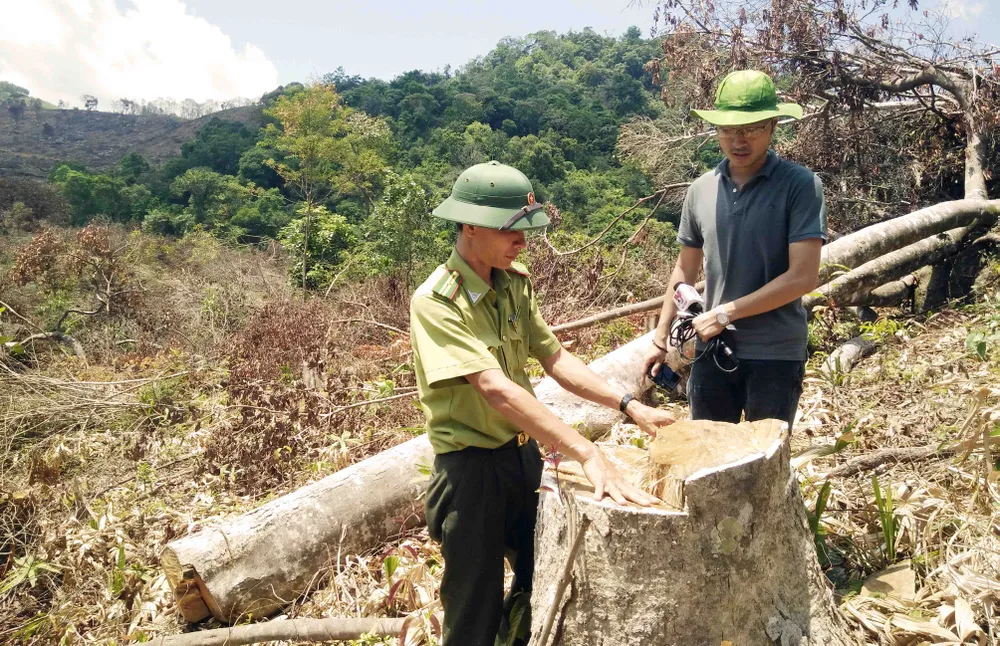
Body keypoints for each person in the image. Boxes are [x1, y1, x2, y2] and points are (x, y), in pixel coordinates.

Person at [409, 160, 675, 646]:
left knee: (544, 578)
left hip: (523, 459)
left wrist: (628, 404)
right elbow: (495, 389)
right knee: (473, 611)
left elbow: (554, 358)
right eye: (511, 232)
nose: (523, 243)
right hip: (471, 475)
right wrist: (587, 452)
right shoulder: (437, 302)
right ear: (469, 225)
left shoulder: (513, 282)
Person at [643, 69, 827, 430]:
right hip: (712, 351)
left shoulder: (800, 185)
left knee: (764, 466)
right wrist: (660, 339)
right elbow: (684, 271)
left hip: (775, 353)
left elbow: (803, 275)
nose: (738, 140)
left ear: (773, 124)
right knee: (708, 460)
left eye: (752, 128)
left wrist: (724, 313)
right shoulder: (701, 189)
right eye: (727, 129)